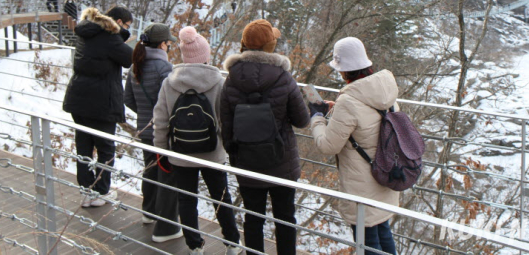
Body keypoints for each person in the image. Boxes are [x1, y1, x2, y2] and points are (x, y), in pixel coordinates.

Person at [220, 19, 310, 255]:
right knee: (285, 217)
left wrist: (238, 154)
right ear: (270, 46)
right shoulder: (284, 78)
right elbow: (302, 120)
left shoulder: (230, 80)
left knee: (253, 217)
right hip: (281, 161)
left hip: (247, 161)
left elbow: (226, 129)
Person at [153, 26, 242, 255]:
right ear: (206, 56)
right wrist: (228, 147)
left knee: (186, 200)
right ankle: (232, 244)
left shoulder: (169, 82)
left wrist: (161, 151)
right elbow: (225, 121)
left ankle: (195, 246)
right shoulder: (218, 81)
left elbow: (161, 120)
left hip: (181, 153)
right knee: (221, 198)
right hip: (212, 153)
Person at [309, 37, 400, 255]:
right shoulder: (387, 92)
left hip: (362, 186)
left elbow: (327, 145)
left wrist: (317, 118)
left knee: (367, 243)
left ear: (344, 70)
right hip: (386, 175)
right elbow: (366, 124)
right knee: (383, 233)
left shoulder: (348, 101)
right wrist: (335, 111)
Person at [62, 6, 133, 207]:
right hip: (101, 102)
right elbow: (130, 58)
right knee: (105, 148)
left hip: (78, 97)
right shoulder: (109, 38)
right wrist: (121, 35)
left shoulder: (87, 31)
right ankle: (100, 192)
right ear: (118, 22)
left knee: (83, 145)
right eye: (126, 25)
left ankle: (86, 190)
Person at [124, 23, 183, 243]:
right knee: (166, 175)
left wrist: (143, 114)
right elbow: (170, 102)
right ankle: (166, 227)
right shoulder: (164, 68)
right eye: (168, 43)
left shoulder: (134, 66)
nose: (169, 46)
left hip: (144, 129)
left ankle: (148, 212)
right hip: (161, 132)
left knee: (150, 170)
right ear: (162, 44)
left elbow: (128, 99)